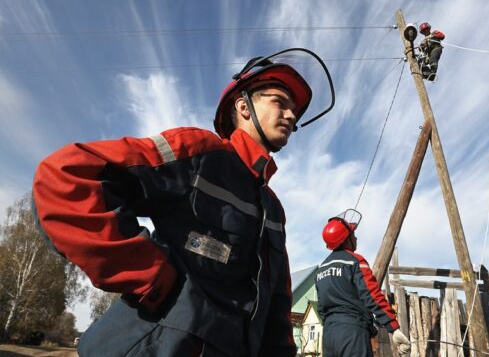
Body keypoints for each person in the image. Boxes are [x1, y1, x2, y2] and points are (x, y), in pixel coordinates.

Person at [32, 48, 335, 357]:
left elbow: (277, 308)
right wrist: (153, 278)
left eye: (294, 109)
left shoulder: (273, 210)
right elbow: (66, 176)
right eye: (279, 102)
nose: (291, 115)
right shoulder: (199, 154)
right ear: (244, 107)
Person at [315, 209, 411, 356]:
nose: (356, 238)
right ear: (346, 239)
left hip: (329, 335)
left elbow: (321, 307)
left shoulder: (321, 269)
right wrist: (393, 327)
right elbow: (373, 295)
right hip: (352, 333)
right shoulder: (355, 260)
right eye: (353, 234)